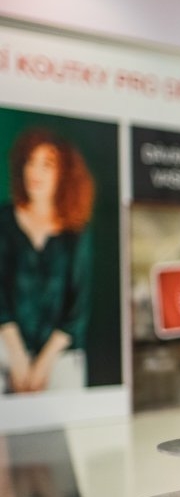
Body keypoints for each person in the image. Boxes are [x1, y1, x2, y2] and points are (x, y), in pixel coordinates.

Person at [0, 127, 95, 394]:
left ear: (64, 174)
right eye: (30, 161)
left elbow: (78, 305)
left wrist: (43, 364)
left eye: (47, 164)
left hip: (61, 357)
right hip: (5, 350)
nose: (35, 171)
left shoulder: (76, 230)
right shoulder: (4, 220)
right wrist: (18, 358)